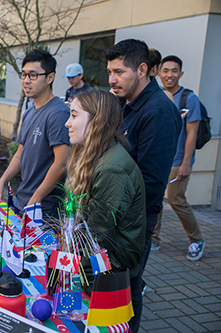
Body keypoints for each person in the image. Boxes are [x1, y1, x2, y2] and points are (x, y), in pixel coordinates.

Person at [105, 38, 181, 333]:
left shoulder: (158, 111)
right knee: (115, 286)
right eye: (110, 71)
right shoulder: (126, 103)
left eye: (119, 72)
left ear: (142, 69)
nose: (112, 80)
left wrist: (111, 212)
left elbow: (150, 182)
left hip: (132, 221)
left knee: (127, 289)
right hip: (114, 214)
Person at [65, 90, 146, 324]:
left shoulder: (112, 167)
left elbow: (97, 237)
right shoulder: (95, 154)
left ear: (96, 120)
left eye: (74, 115)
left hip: (108, 273)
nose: (68, 123)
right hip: (96, 266)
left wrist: (70, 268)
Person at [0, 49, 71, 216]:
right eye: (23, 75)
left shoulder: (58, 113)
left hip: (44, 209)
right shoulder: (30, 111)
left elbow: (62, 163)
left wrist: (36, 199)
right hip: (22, 201)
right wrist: (2, 181)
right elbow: (20, 154)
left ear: (50, 77)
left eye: (33, 75)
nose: (26, 80)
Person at [152, 55, 204, 260]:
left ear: (180, 74)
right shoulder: (159, 96)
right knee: (155, 198)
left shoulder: (189, 99)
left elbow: (192, 133)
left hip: (178, 160)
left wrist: (185, 164)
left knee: (176, 200)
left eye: (174, 71)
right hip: (159, 159)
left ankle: (196, 239)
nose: (169, 75)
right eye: (165, 70)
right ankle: (153, 239)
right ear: (159, 73)